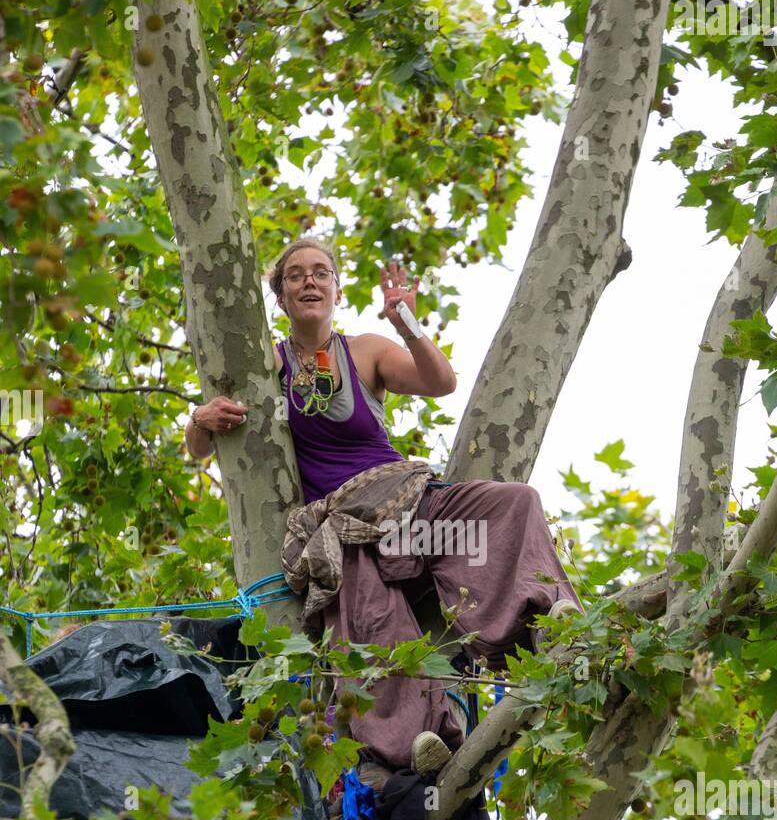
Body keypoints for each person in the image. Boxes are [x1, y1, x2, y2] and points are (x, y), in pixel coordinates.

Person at [185, 236, 582, 780]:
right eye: (295, 275)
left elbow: (440, 383)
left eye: (321, 272)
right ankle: (419, 740)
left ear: (336, 288)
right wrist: (198, 419)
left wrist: (407, 325)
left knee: (514, 502)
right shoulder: (266, 366)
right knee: (371, 616)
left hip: (408, 510)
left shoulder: (365, 350)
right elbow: (202, 449)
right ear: (278, 297)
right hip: (350, 533)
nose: (309, 281)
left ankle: (543, 620)